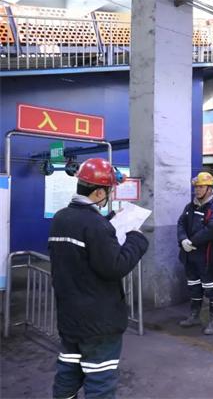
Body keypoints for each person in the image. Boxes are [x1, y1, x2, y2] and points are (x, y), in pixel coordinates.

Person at [49, 158, 149, 399]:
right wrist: (136, 239)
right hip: (98, 322)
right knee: (100, 381)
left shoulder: (61, 218)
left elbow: (84, 250)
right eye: (109, 191)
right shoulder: (95, 225)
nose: (109, 196)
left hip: (69, 317)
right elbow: (115, 267)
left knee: (68, 372)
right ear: (98, 193)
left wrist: (109, 221)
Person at [177, 172, 213, 335]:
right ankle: (194, 316)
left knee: (212, 290)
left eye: (201, 187)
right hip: (190, 256)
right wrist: (183, 239)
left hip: (207, 258)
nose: (197, 190)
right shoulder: (190, 206)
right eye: (196, 187)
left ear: (210, 189)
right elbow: (181, 223)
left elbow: (212, 229)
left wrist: (191, 242)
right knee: (194, 287)